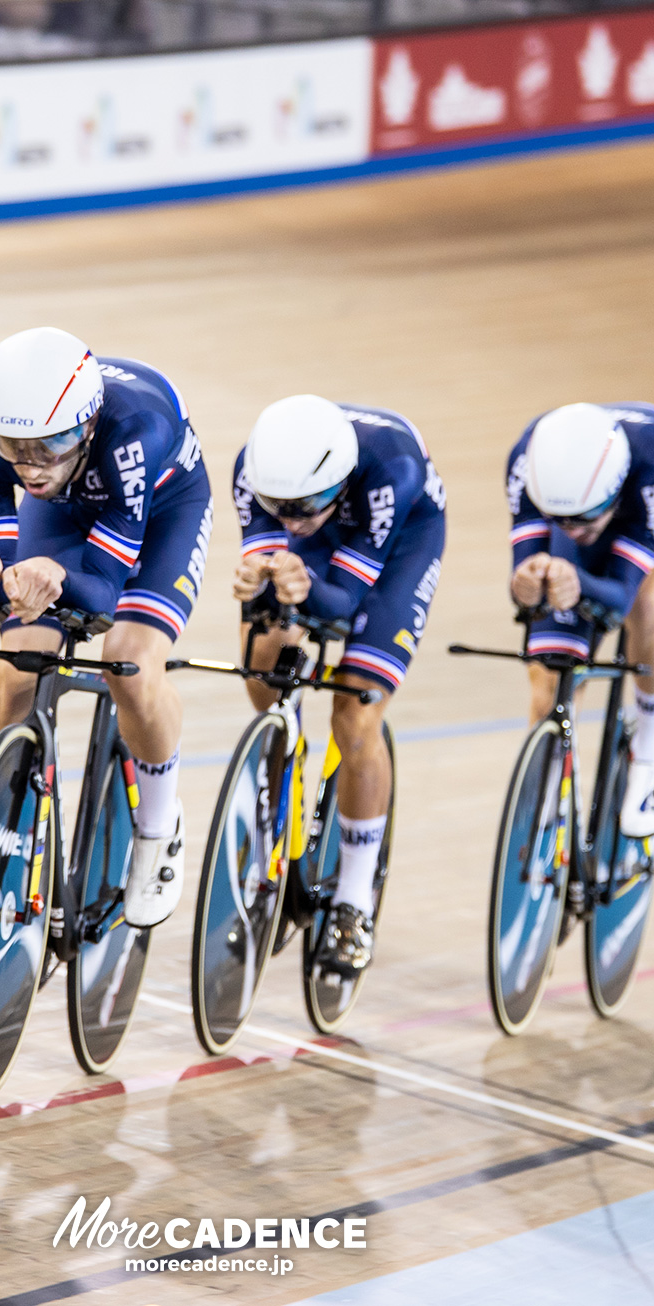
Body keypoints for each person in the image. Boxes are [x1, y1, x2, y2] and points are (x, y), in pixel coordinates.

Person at [0, 328, 211, 929]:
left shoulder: (133, 433)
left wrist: (54, 577)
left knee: (131, 662)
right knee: (18, 670)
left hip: (163, 515)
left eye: (52, 445)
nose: (31, 465)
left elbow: (101, 591)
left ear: (89, 425)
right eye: (14, 447)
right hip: (65, 512)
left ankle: (157, 828)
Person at [229, 395, 447, 973]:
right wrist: (259, 578)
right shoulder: (254, 477)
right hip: (329, 541)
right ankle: (285, 756)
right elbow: (273, 578)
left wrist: (300, 582)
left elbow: (344, 606)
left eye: (306, 504)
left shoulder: (391, 471)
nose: (293, 519)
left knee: (355, 714)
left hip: (399, 548)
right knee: (264, 655)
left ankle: (354, 899)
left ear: (340, 479)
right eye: (280, 507)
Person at [504, 401, 654, 837]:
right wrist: (527, 582)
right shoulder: (525, 464)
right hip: (593, 514)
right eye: (561, 521)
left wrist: (577, 581)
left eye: (582, 519)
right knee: (549, 680)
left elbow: (618, 599)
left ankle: (652, 750)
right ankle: (555, 802)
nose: (573, 530)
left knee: (648, 602)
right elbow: (527, 577)